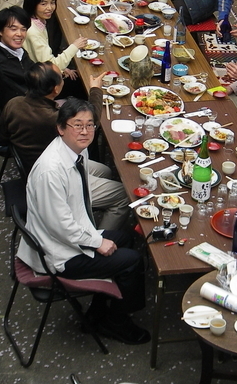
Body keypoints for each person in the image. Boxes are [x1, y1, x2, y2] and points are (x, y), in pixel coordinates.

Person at [17, 97, 149, 345]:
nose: (85, 131)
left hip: (73, 235)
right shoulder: (50, 170)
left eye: (90, 125)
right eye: (77, 125)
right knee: (132, 261)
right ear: (61, 128)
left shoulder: (74, 151)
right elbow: (59, 225)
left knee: (127, 239)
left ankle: (99, 309)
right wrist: (96, 241)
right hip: (60, 254)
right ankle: (117, 321)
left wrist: (96, 238)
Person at [0, 63, 130, 231]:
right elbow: (90, 122)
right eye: (61, 76)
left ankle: (88, 211)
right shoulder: (55, 119)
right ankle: (99, 240)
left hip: (36, 166)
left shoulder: (14, 104)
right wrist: (95, 89)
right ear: (56, 89)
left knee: (106, 171)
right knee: (124, 195)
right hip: (56, 181)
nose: (64, 76)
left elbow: (0, 139)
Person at [22, 0, 87, 78]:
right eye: (43, 4)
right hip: (40, 80)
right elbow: (51, 66)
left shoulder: (34, 21)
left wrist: (62, 68)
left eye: (52, 2)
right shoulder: (33, 31)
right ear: (32, 4)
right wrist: (75, 46)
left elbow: (44, 59)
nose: (50, 8)